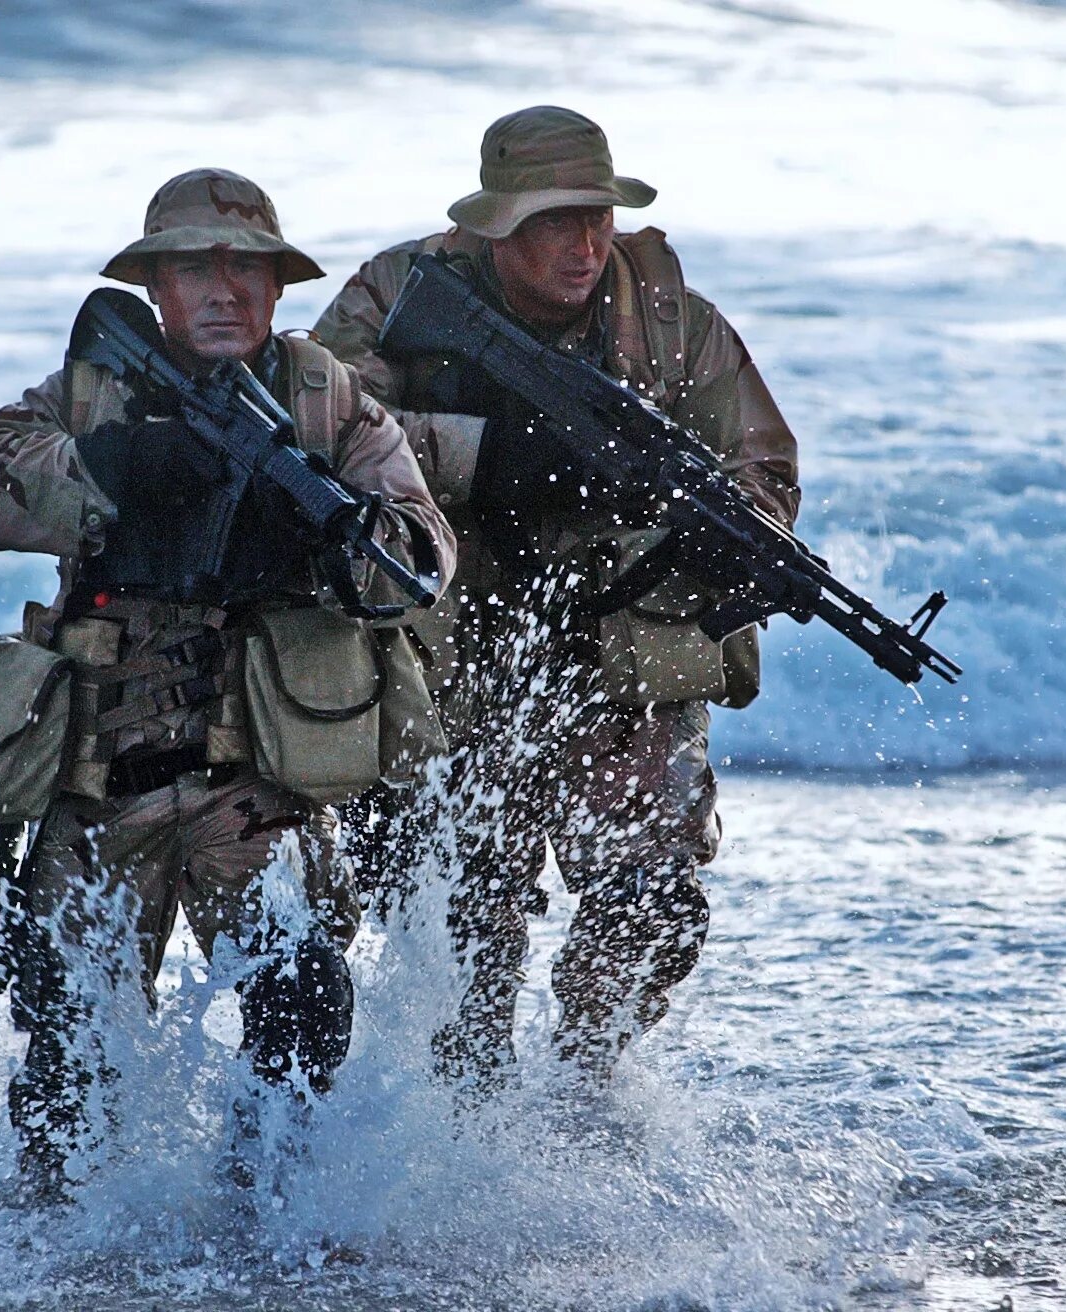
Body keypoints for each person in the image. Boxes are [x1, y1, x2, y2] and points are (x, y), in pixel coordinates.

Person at [0, 167, 454, 1199]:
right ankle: (72, 1242)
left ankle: (267, 1223)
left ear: (275, 286)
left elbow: (421, 560)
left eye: (245, 268)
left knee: (299, 1017)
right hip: (102, 785)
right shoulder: (92, 394)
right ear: (157, 289)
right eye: (193, 268)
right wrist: (117, 468)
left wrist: (326, 536)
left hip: (252, 790)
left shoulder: (325, 402)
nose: (223, 289)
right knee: (65, 1061)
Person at [314, 106, 801, 1089]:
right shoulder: (400, 295)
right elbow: (311, 419)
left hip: (613, 654)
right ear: (496, 226)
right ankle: (465, 1142)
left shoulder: (669, 322)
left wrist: (671, 532)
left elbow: (764, 479)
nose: (584, 245)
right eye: (553, 222)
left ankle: (582, 1092)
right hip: (459, 651)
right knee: (464, 930)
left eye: (596, 217)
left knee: (653, 904)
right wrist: (488, 456)